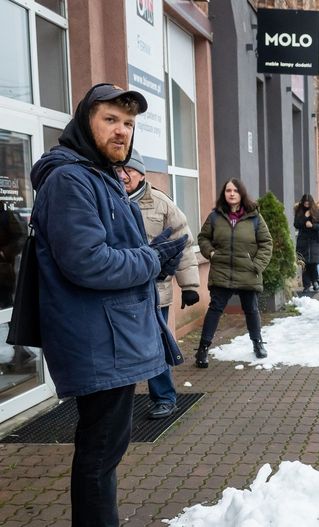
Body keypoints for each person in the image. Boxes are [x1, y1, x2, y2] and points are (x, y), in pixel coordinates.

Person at [29, 83, 187, 527]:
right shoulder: (70, 179)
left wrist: (146, 255)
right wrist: (151, 259)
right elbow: (88, 262)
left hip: (110, 338)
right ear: (85, 122)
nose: (122, 132)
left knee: (105, 452)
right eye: (111, 120)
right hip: (98, 341)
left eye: (129, 124)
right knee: (99, 455)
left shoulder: (98, 175)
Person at [117, 149, 201, 420]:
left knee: (156, 346)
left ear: (142, 173)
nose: (123, 174)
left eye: (128, 169)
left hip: (156, 292)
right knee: (121, 349)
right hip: (121, 291)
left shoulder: (161, 203)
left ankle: (164, 398)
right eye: (119, 169)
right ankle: (118, 405)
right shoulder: (109, 200)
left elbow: (183, 244)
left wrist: (189, 286)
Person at [195, 179, 273, 367]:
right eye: (228, 190)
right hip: (222, 270)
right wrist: (211, 253)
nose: (231, 193)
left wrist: (256, 265)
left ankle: (257, 343)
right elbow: (203, 238)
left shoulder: (254, 217)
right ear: (224, 194)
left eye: (235, 190)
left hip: (247, 271)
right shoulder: (215, 217)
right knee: (215, 309)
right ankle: (203, 349)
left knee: (251, 309)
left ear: (241, 194)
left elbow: (266, 243)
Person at [294, 194, 319, 293]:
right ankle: (306, 285)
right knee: (304, 264)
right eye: (305, 203)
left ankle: (315, 281)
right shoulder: (300, 211)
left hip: (314, 241)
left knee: (313, 263)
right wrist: (304, 217)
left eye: (308, 203)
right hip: (303, 241)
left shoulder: (317, 212)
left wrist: (313, 225)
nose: (306, 204)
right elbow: (296, 224)